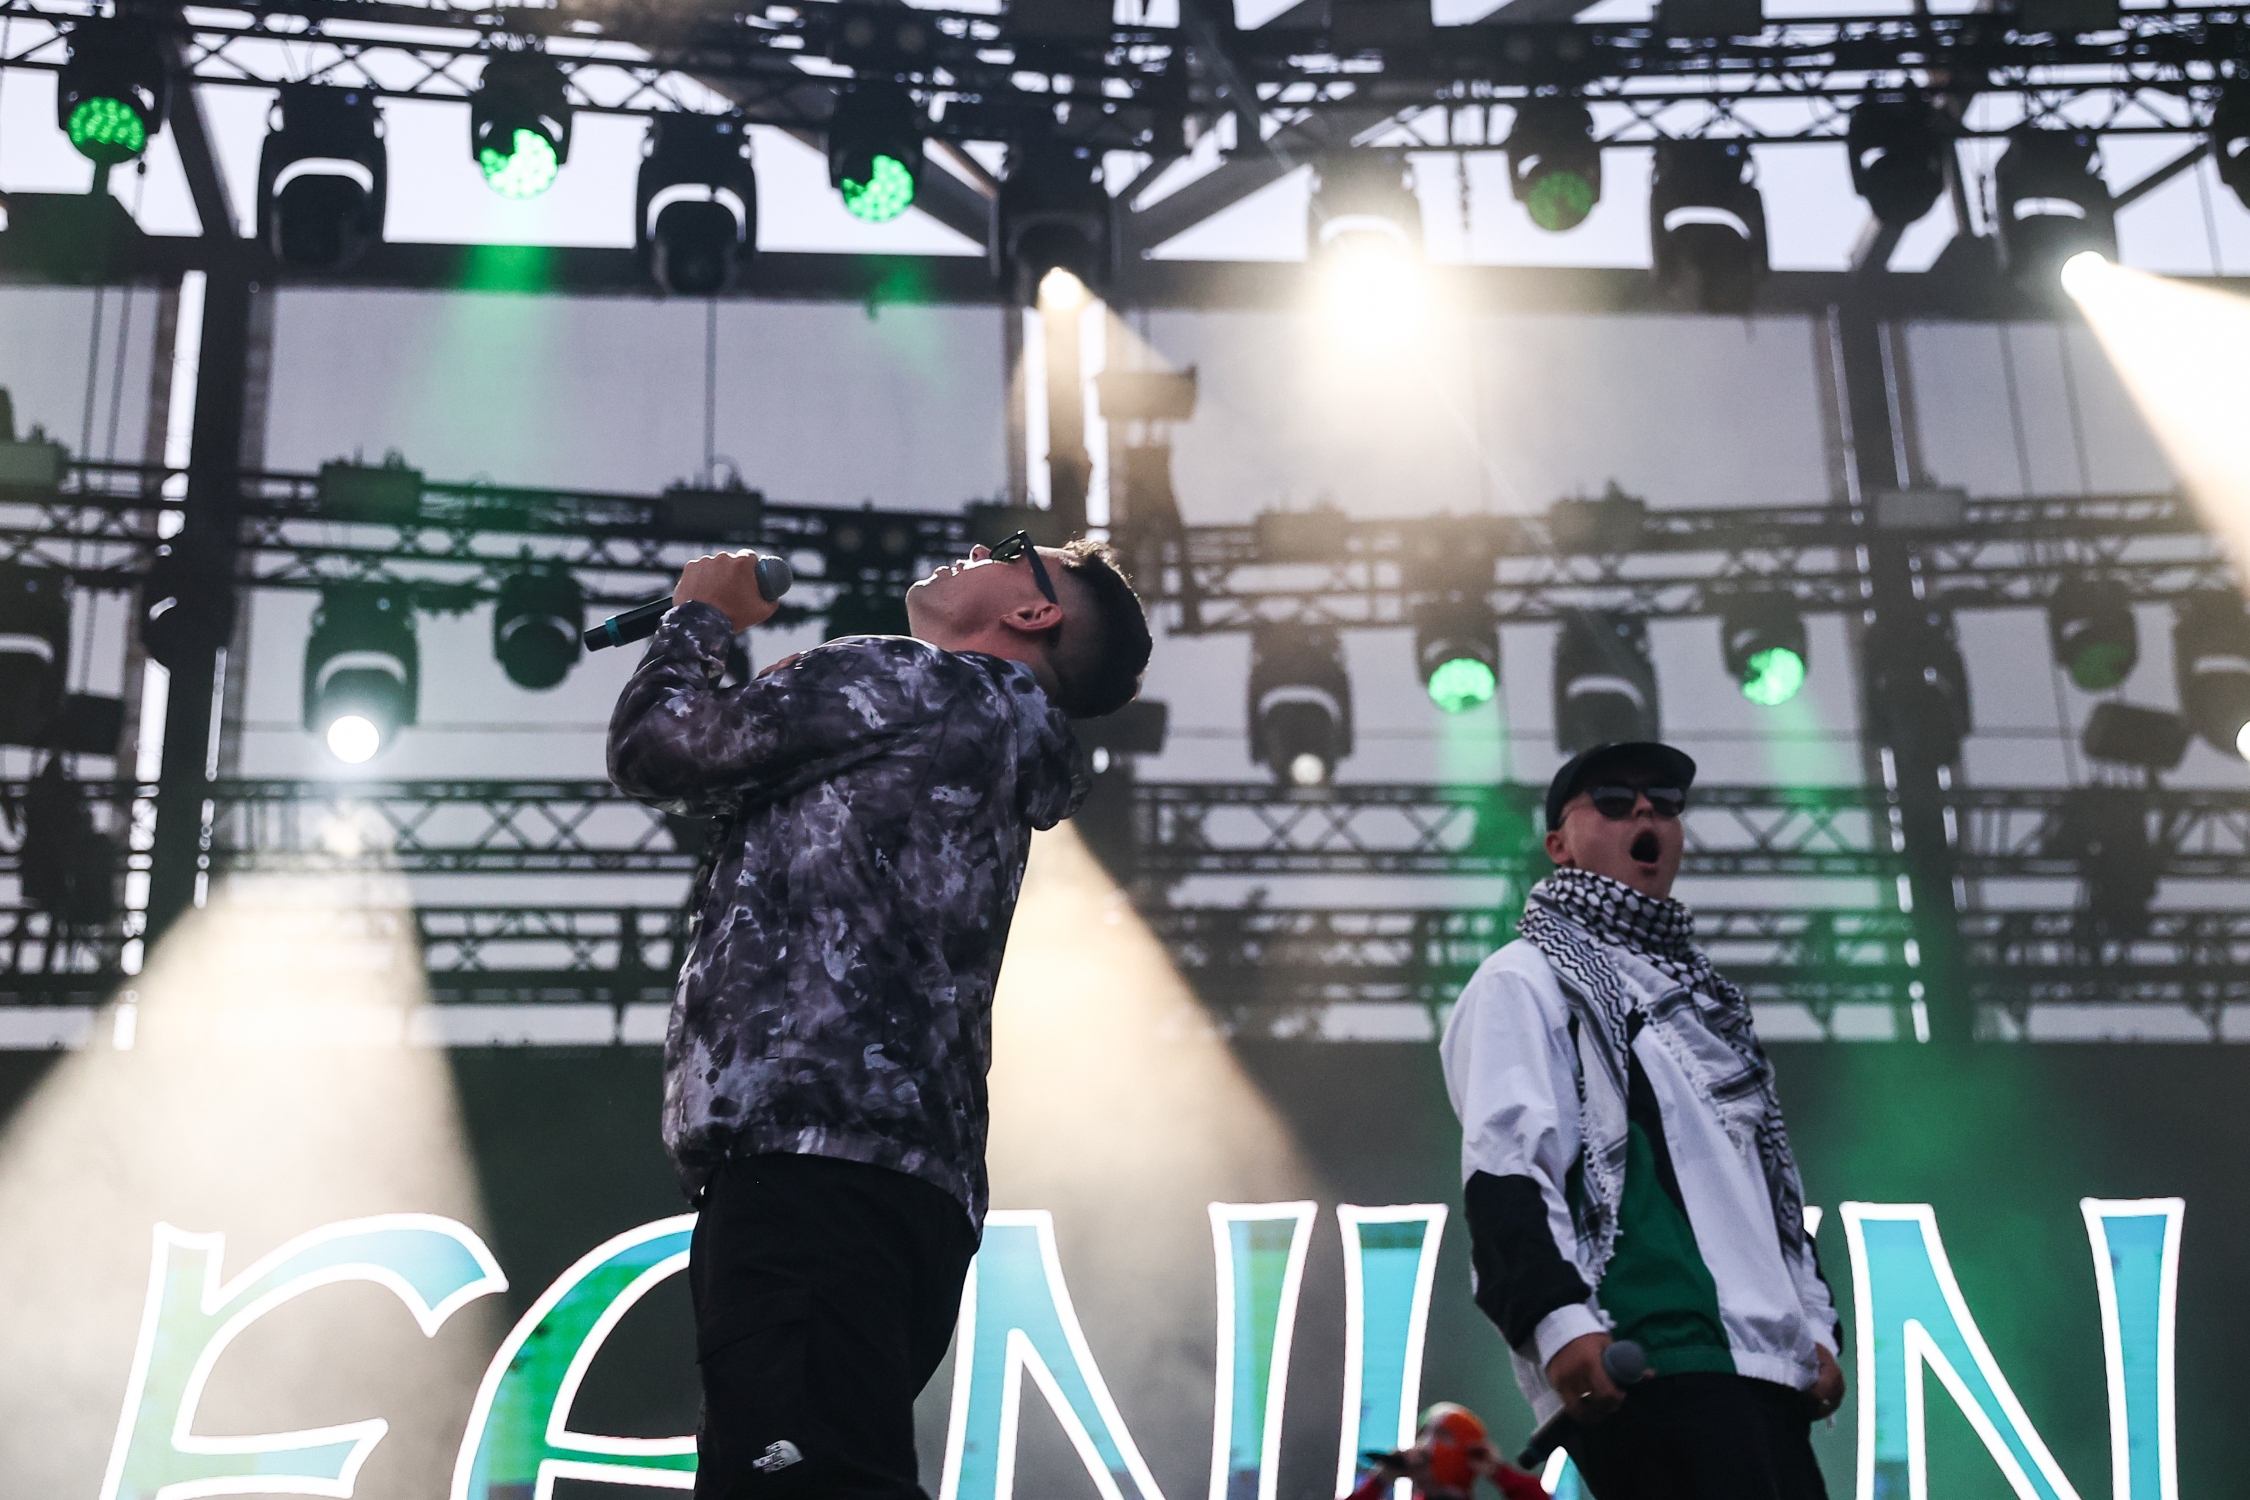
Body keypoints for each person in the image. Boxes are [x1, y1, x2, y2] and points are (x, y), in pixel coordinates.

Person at [607, 532, 1152, 1500]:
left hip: (814, 1164)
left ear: (1034, 612)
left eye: (1011, 551)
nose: (977, 546)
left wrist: (701, 616)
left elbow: (657, 748)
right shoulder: (980, 738)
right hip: (895, 1184)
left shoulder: (909, 681)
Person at [1438, 741, 1844, 1500]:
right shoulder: (1523, 978)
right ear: (1558, 845)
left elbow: (1768, 1195)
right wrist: (1558, 1321)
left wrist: (1816, 1327)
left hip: (1764, 1368)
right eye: (1614, 801)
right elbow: (1506, 1166)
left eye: (1664, 800)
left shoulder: (1708, 1006)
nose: (1646, 811)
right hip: (1650, 1355)